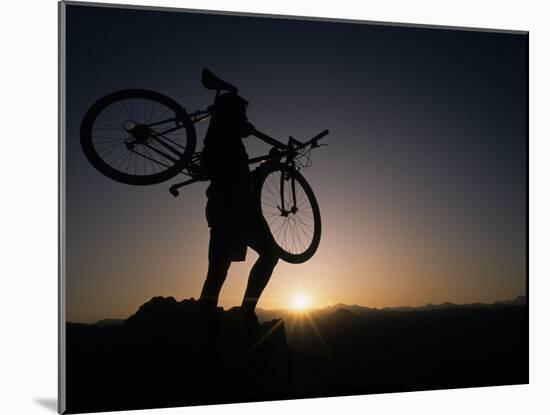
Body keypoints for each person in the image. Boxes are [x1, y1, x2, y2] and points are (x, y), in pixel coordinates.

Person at [199, 92, 279, 317]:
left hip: (236, 208)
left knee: (221, 268)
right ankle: (226, 314)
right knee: (219, 269)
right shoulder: (220, 135)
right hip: (230, 208)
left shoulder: (227, 138)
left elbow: (242, 176)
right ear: (231, 113)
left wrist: (268, 164)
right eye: (241, 112)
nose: (245, 118)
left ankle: (232, 313)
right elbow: (220, 171)